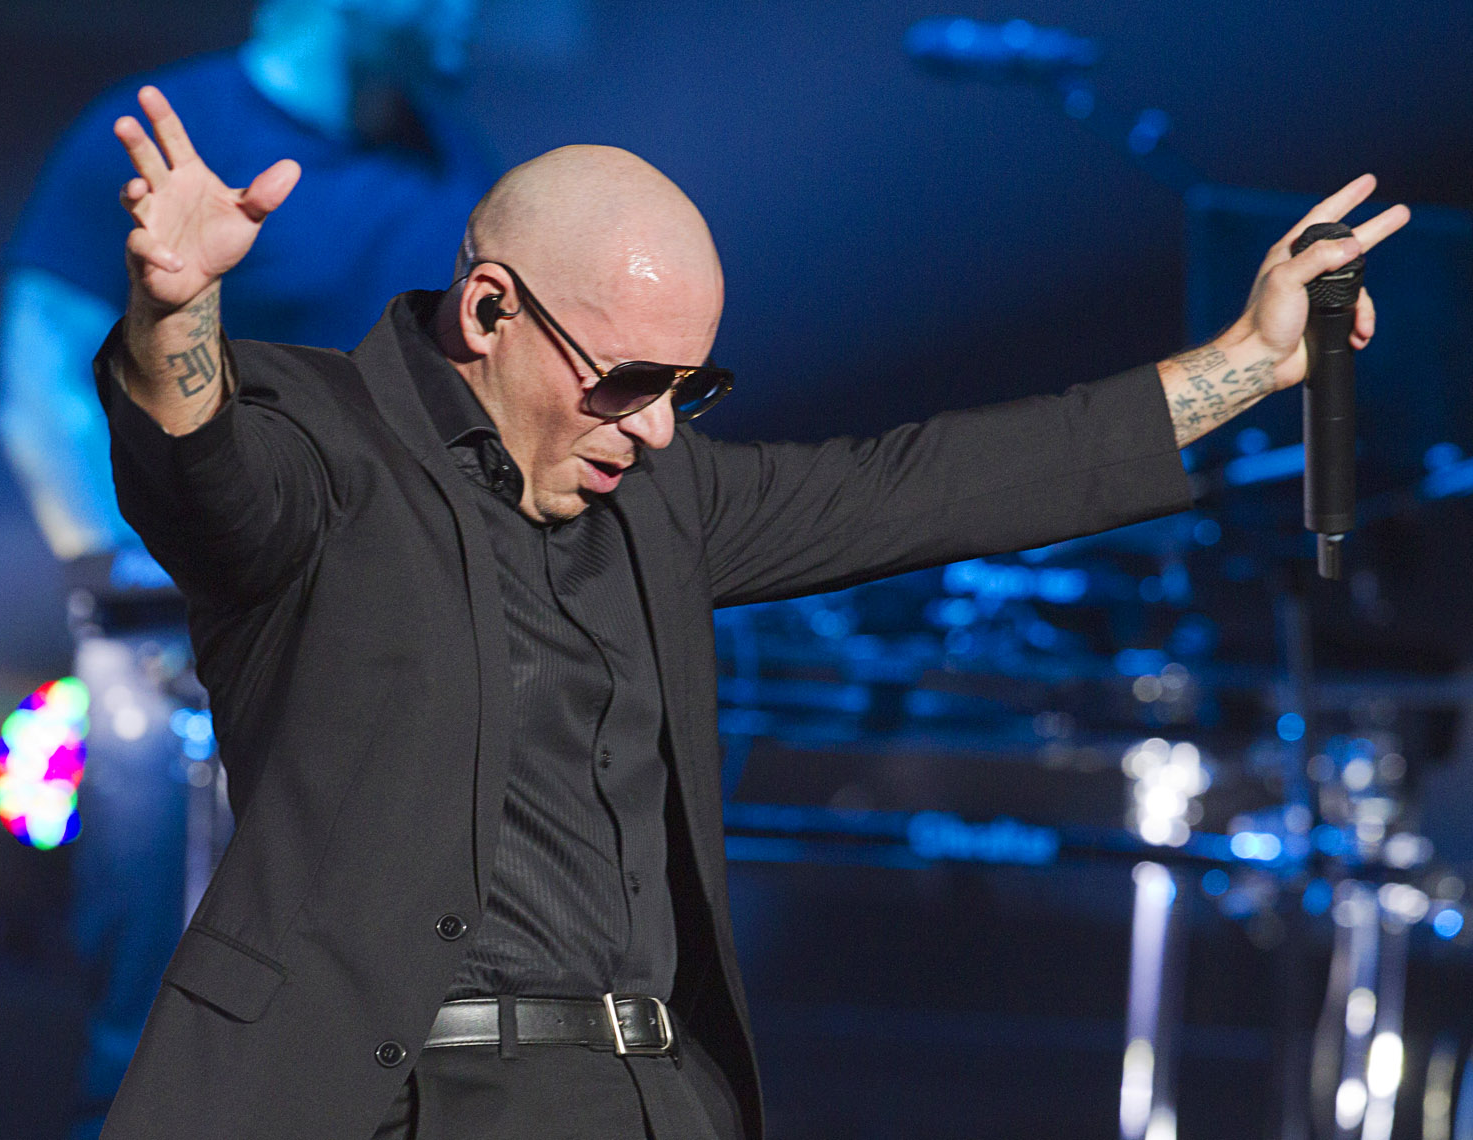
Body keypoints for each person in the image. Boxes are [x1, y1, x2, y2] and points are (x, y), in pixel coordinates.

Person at [91, 87, 1409, 1140]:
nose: (658, 429)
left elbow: (934, 483)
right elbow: (202, 474)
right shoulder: (326, 447)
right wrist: (175, 310)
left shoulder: (661, 502)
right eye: (631, 382)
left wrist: (1248, 363)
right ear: (490, 311)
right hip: (397, 1096)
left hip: (651, 1097)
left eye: (691, 390)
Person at [0, 4, 492, 1136]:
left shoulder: (455, 162)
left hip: (372, 645)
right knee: (156, 993)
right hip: (175, 632)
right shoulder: (178, 129)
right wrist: (138, 577)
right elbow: (37, 383)